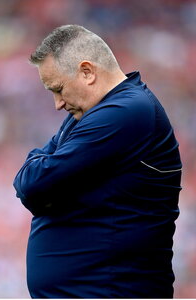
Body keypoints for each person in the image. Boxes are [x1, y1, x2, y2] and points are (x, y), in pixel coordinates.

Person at [13, 24, 182, 298]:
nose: (57, 104)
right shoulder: (92, 113)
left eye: (58, 89)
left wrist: (40, 175)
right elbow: (34, 184)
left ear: (87, 72)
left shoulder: (125, 112)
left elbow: (32, 184)